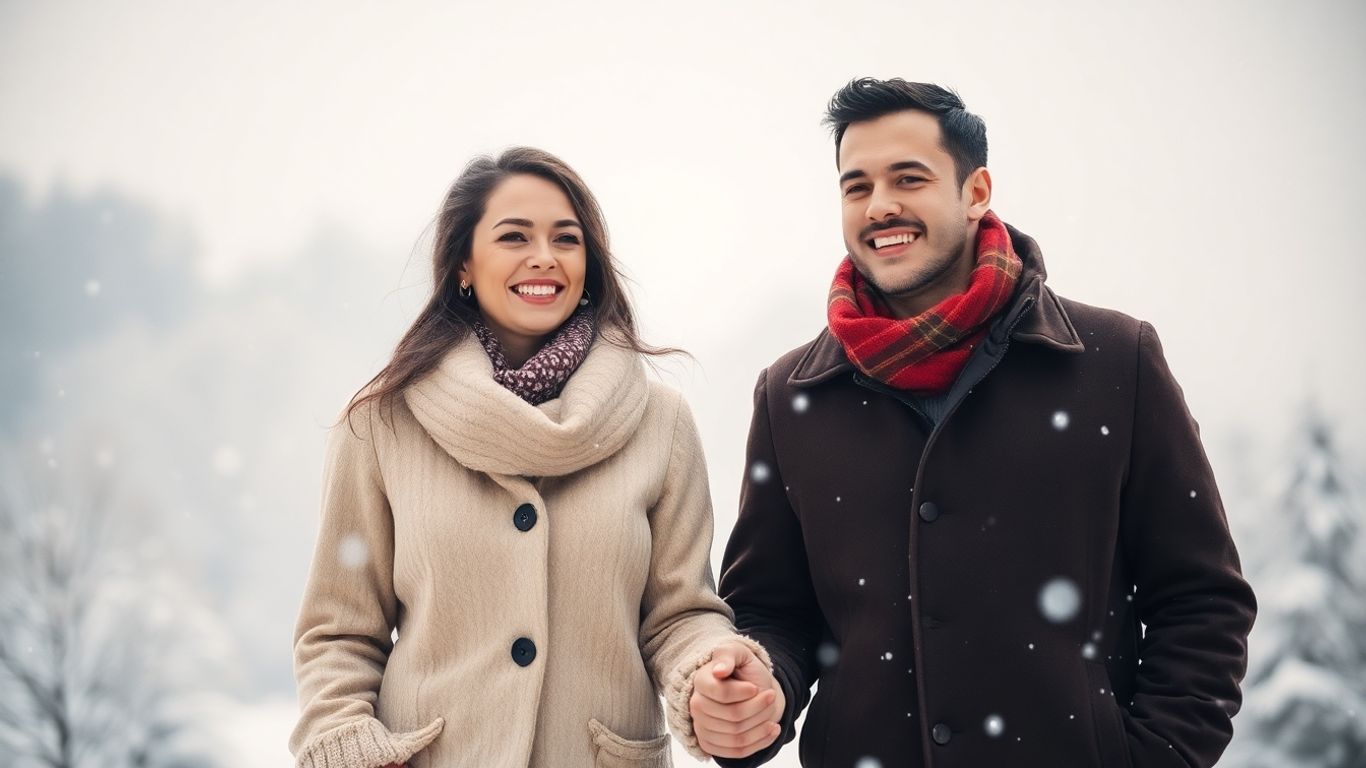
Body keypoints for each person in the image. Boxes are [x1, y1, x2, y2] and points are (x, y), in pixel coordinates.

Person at [697, 79, 1257, 767]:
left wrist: (1154, 755)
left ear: (976, 191)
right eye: (856, 186)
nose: (880, 206)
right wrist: (758, 694)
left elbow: (1201, 600)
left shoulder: (1116, 361)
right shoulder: (790, 395)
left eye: (909, 178)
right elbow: (772, 613)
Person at [289, 147, 781, 768]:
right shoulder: (381, 423)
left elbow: (679, 614)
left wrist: (709, 667)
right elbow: (338, 633)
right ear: (464, 264)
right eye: (514, 236)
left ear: (588, 265)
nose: (543, 257)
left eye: (566, 239)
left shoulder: (661, 422)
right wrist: (347, 742)